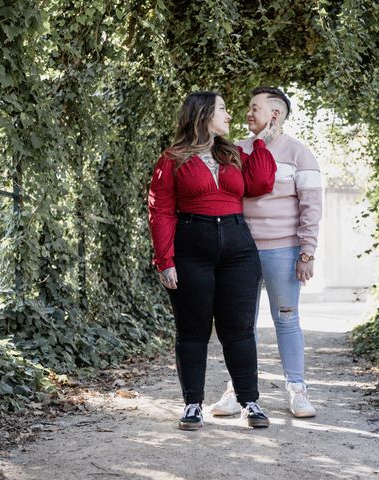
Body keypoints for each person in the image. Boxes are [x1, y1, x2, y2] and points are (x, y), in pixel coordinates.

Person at [148, 91, 279, 430]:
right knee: (192, 331)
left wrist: (261, 143)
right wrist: (165, 260)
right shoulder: (172, 158)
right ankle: (193, 405)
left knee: (239, 330)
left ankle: (250, 402)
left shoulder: (232, 153)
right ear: (203, 113)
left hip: (238, 250)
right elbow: (160, 211)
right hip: (192, 248)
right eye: (223, 109)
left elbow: (262, 182)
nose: (230, 116)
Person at [211, 86, 322, 418]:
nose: (247, 112)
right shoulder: (233, 151)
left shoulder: (300, 155)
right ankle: (237, 390)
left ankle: (297, 390)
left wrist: (307, 252)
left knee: (286, 320)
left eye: (254, 107)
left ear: (274, 114)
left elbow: (312, 208)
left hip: (284, 251)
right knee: (240, 324)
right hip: (240, 250)